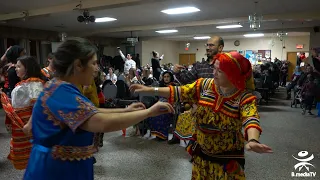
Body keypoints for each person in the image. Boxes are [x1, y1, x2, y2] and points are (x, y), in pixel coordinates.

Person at [23, 38, 173, 180]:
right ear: (78, 65)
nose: (97, 68)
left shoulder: (60, 86)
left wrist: (126, 111)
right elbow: (100, 122)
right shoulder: (61, 92)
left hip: (62, 166)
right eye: (94, 63)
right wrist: (148, 112)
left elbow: (90, 112)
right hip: (56, 170)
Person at [130, 52, 272, 179]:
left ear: (233, 74)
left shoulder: (244, 97)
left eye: (220, 71)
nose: (214, 73)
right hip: (202, 157)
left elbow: (251, 119)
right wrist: (149, 89)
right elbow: (180, 91)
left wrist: (253, 140)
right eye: (214, 68)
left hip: (226, 161)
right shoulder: (205, 85)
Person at [169, 36, 224, 144]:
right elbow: (186, 81)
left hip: (220, 109)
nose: (208, 47)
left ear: (220, 47)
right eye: (207, 45)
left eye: (211, 45)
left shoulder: (226, 65)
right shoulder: (200, 66)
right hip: (200, 109)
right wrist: (177, 72)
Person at [1, 56, 45, 170]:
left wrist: (29, 125)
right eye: (16, 66)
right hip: (21, 125)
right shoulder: (26, 83)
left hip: (27, 125)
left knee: (35, 158)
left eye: (19, 66)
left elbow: (38, 105)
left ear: (27, 68)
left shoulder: (34, 83)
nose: (16, 68)